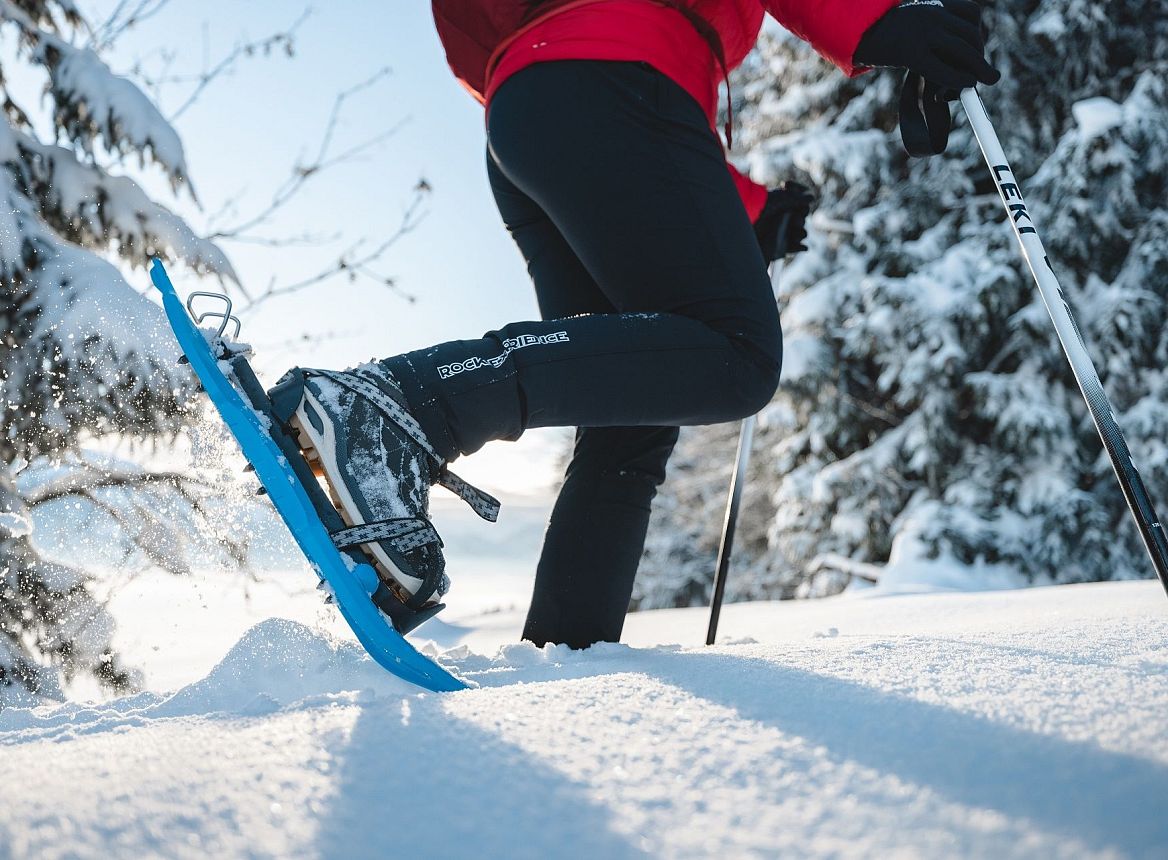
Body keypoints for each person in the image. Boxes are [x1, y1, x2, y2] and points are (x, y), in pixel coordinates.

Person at [268, 0, 1000, 648]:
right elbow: (641, 87)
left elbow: (644, 140)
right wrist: (878, 18)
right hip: (613, 79)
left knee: (631, 417)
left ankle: (570, 658)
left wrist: (753, 211)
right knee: (738, 355)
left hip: (534, 107)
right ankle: (408, 403)